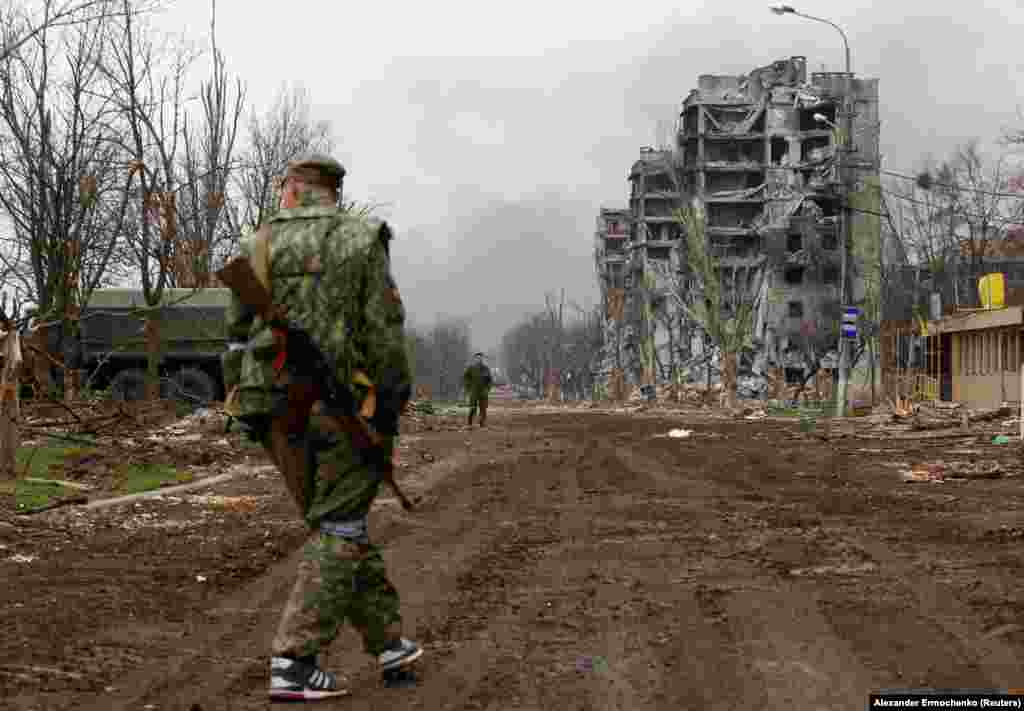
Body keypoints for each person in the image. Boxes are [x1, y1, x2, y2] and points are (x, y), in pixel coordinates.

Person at [221, 155, 421, 701]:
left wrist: (238, 406)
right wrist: (389, 410)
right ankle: (294, 661)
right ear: (334, 192)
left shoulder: (257, 242)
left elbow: (235, 339)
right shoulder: (361, 239)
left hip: (271, 409)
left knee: (336, 522)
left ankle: (389, 643)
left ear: (291, 189)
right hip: (339, 410)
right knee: (341, 526)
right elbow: (384, 335)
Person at [462, 352, 493, 427]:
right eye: (477, 358)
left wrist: (487, 389)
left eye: (480, 358)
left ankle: (482, 423)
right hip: (474, 390)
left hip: (483, 391)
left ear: (482, 359)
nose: (479, 359)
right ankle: (470, 422)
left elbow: (490, 380)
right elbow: (466, 377)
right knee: (473, 407)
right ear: (475, 359)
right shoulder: (471, 368)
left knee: (483, 408)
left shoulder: (486, 368)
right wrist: (468, 387)